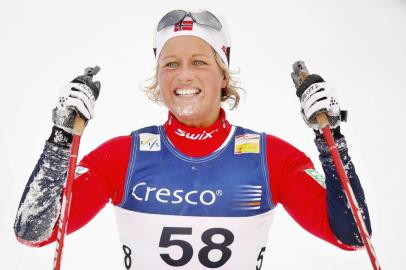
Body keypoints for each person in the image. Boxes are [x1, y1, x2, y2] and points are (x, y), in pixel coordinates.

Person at [14, 9, 372, 269]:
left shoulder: (270, 158)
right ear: (158, 78)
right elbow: (33, 232)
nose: (183, 74)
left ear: (223, 76)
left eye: (200, 61)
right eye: (170, 64)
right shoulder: (124, 156)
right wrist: (61, 139)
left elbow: (353, 237)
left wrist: (331, 139)